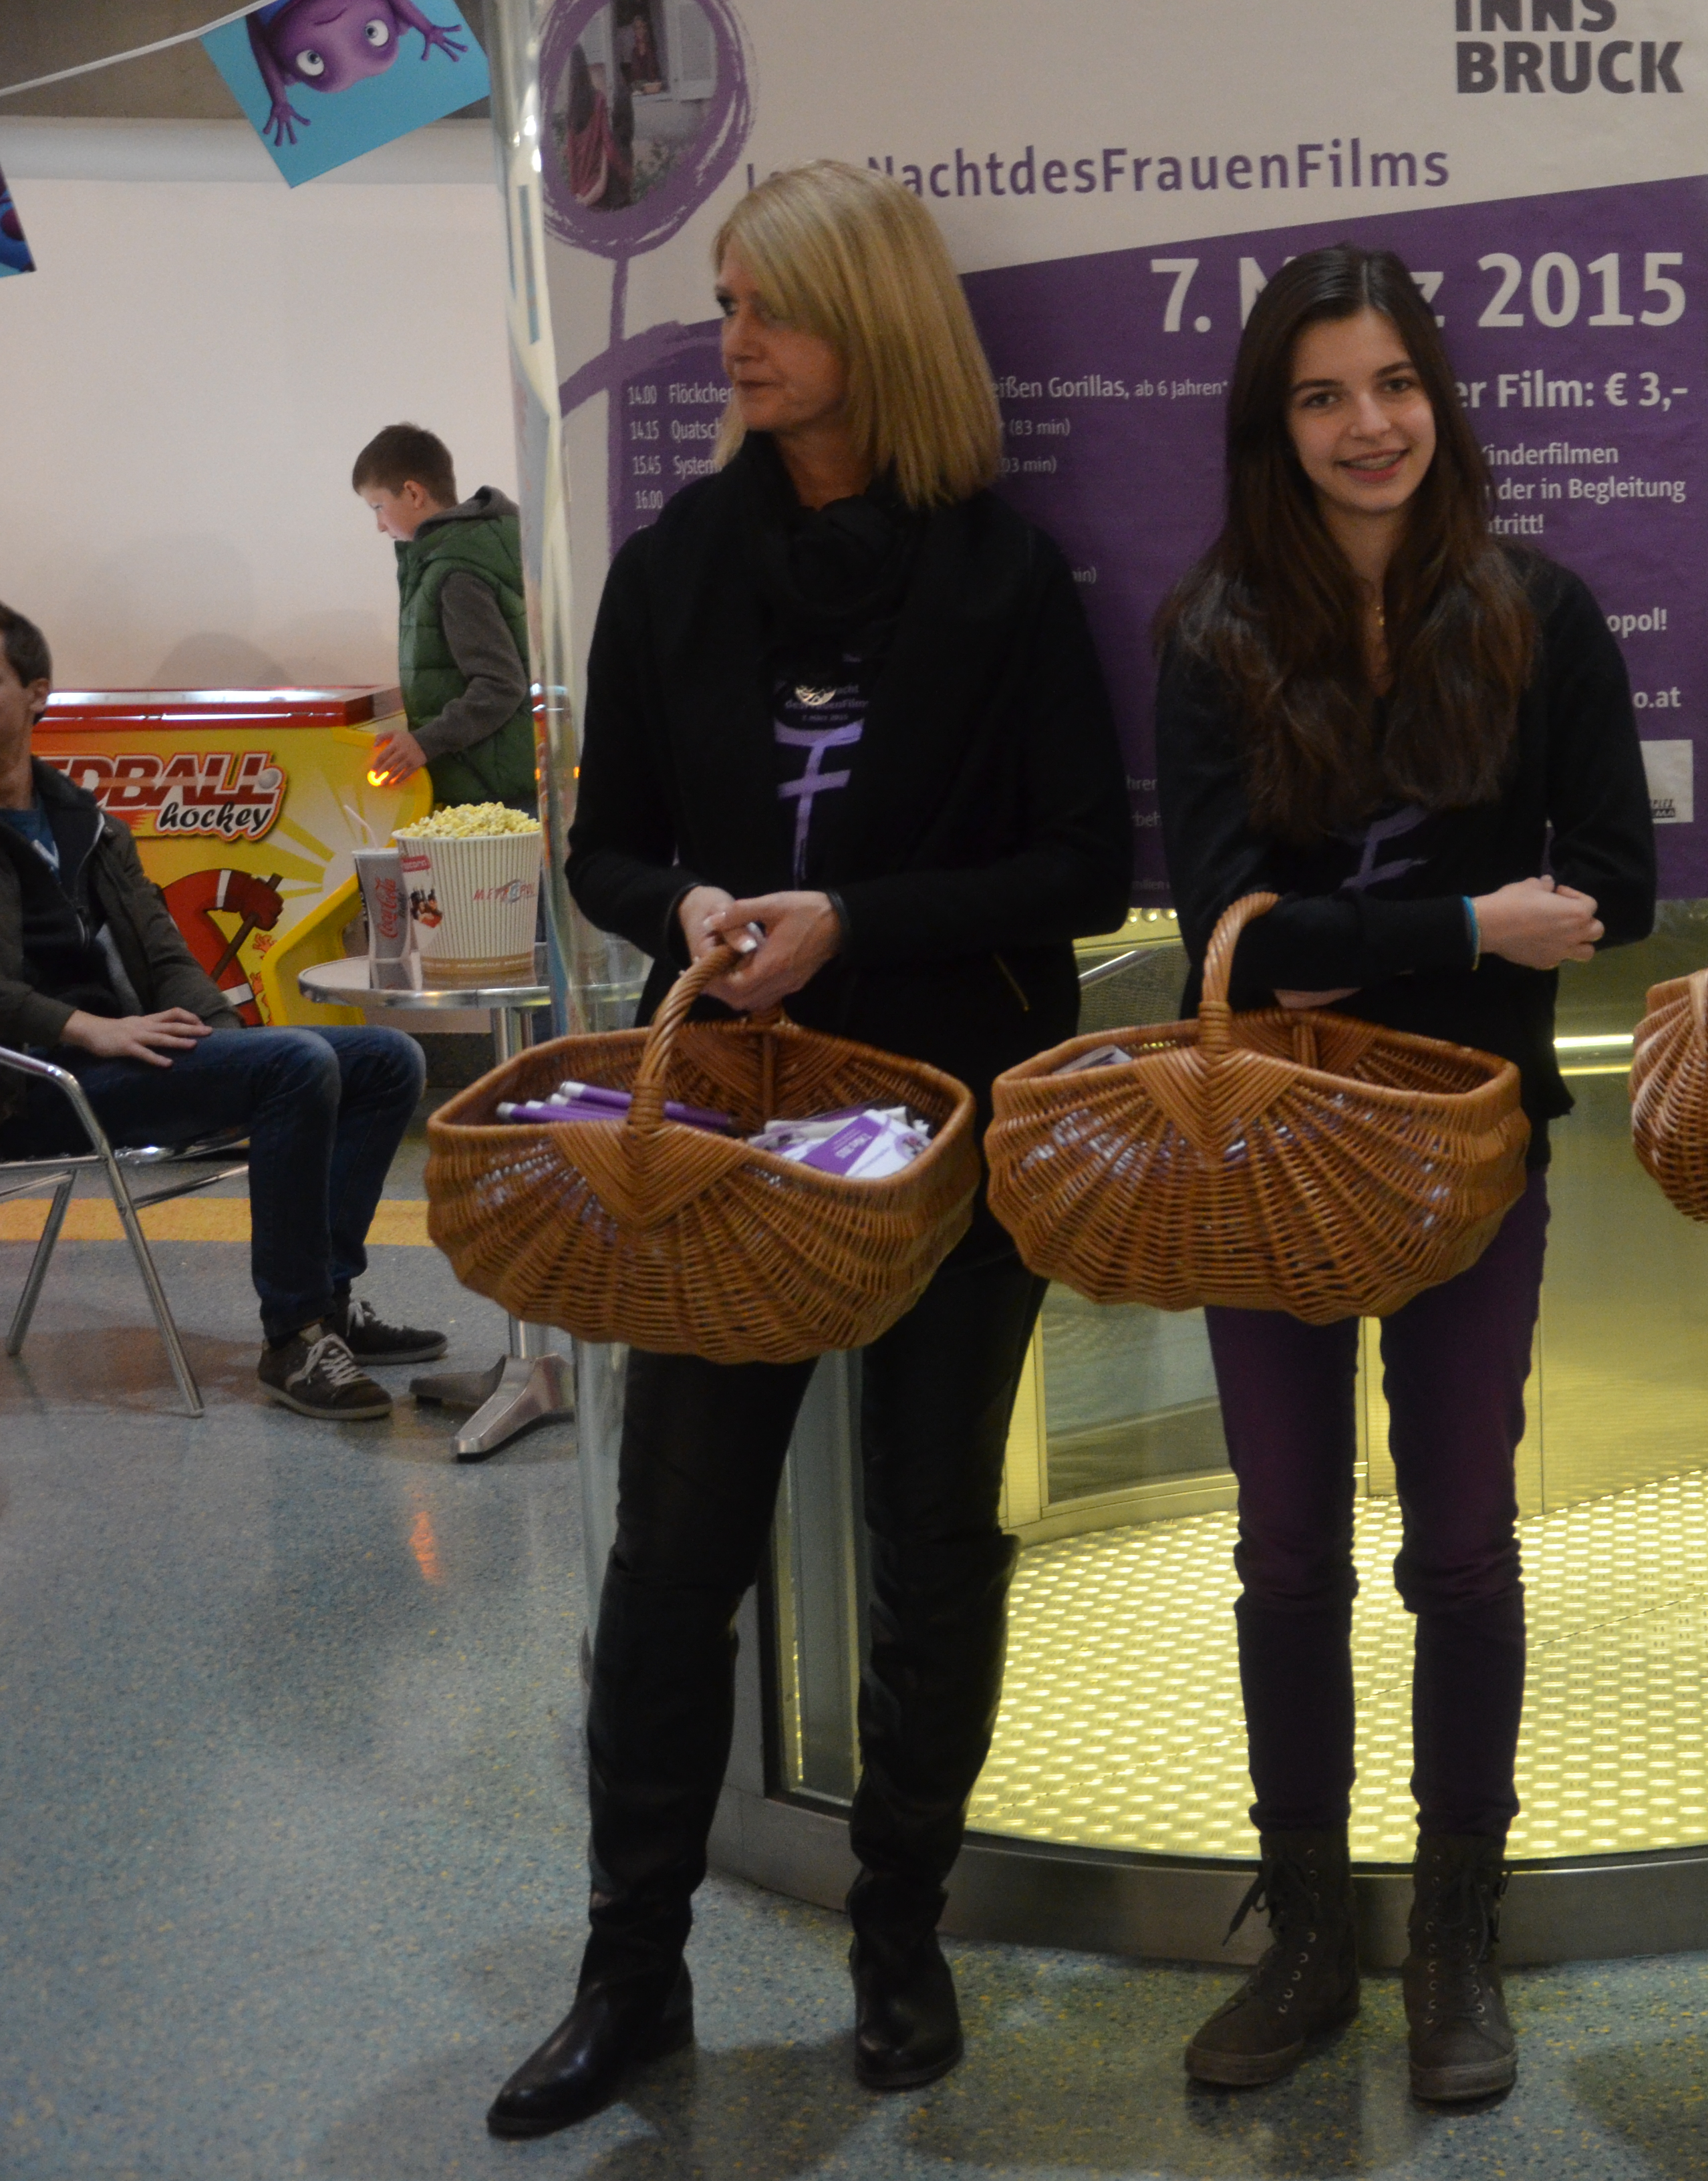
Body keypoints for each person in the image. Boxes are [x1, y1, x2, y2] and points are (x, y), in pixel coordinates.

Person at [484, 161, 1132, 2138]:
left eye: (769, 303)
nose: (730, 335)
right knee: (674, 1556)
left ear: (875, 322)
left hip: (946, 1129)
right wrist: (678, 908)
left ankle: (899, 1940)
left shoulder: (1002, 579)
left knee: (934, 1542)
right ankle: (628, 1979)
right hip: (726, 1145)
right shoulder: (676, 562)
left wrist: (859, 921)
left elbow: (1085, 869)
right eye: (723, 298)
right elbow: (603, 842)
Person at [1155, 243, 1655, 2105]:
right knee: (1286, 1549)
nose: (1368, 426)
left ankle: (1456, 1940)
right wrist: (1464, 919)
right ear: (1273, 426)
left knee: (1459, 1544)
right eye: (1321, 395)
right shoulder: (1213, 629)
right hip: (1263, 1150)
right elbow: (1227, 931)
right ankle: (1304, 1939)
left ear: (1436, 399)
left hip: (1469, 1150)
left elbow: (1614, 891)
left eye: (1392, 386)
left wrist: (1356, 938)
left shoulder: (1541, 610)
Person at [0, 600, 439, 1419]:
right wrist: (82, 1027)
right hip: (31, 1088)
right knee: (298, 1064)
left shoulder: (85, 822)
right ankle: (295, 1335)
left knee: (387, 1060)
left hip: (125, 1060)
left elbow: (166, 951)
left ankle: (331, 1303)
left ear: (36, 694)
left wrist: (221, 1041)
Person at [351, 425, 537, 813]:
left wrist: (424, 742)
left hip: (488, 797)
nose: (379, 525)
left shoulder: (456, 572)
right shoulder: (478, 547)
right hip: (499, 782)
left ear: (414, 493)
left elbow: (501, 684)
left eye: (378, 507)